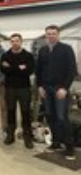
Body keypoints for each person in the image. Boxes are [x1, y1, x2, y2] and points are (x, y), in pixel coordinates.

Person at [36, 25, 78, 160]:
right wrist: (40, 86)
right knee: (50, 116)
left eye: (53, 33)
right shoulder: (43, 50)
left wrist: (64, 88)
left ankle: (70, 148)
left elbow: (72, 70)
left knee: (62, 117)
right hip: (46, 89)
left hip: (60, 89)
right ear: (46, 35)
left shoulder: (66, 49)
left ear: (58, 35)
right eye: (48, 34)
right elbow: (38, 70)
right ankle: (56, 143)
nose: (51, 36)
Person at [0, 33, 35, 148]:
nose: (15, 43)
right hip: (10, 88)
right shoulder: (5, 55)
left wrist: (11, 67)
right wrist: (19, 67)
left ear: (21, 42)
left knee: (26, 112)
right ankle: (10, 135)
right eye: (13, 41)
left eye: (17, 41)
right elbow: (3, 70)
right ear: (10, 42)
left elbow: (29, 70)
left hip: (24, 88)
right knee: (10, 111)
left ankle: (27, 137)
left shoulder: (28, 55)